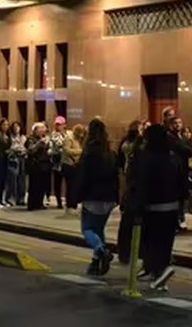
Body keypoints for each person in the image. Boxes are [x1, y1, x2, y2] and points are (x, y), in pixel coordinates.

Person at [128, 123, 185, 289]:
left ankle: (160, 269)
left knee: (150, 242)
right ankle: (159, 275)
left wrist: (137, 205)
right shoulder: (173, 158)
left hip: (152, 206)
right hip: (172, 206)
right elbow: (181, 183)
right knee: (166, 242)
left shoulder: (145, 158)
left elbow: (140, 183)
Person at [75, 118, 119, 275]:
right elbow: (116, 176)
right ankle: (96, 263)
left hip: (92, 196)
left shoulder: (89, 153)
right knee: (99, 229)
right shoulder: (111, 153)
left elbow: (82, 177)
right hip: (108, 197)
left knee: (87, 229)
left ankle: (101, 251)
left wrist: (76, 196)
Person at [115, 120, 142, 262]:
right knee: (131, 223)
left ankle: (125, 252)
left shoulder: (126, 144)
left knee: (127, 224)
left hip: (132, 191)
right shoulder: (138, 154)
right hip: (137, 194)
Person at [26, 122, 52, 210]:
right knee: (34, 186)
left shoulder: (44, 138)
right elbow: (30, 150)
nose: (43, 131)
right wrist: (39, 143)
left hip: (44, 165)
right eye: (41, 129)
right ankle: (32, 204)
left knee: (42, 185)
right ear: (35, 130)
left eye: (43, 129)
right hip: (35, 165)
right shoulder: (31, 139)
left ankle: (39, 203)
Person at [62, 124, 85, 213]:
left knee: (75, 186)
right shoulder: (69, 138)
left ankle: (74, 203)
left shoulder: (79, 140)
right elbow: (67, 150)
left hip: (76, 165)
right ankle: (69, 204)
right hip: (69, 164)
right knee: (70, 186)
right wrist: (80, 152)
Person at [5, 121, 27, 207]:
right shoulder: (9, 138)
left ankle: (21, 198)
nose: (16, 128)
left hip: (22, 158)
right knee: (12, 178)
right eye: (14, 127)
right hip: (13, 159)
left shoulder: (23, 137)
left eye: (18, 126)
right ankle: (11, 198)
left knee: (21, 179)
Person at [49, 117, 68, 207]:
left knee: (68, 182)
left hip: (66, 162)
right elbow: (57, 145)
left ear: (64, 125)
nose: (58, 126)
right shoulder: (53, 135)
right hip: (57, 162)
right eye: (56, 124)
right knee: (57, 182)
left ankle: (68, 199)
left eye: (59, 124)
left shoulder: (68, 134)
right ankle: (58, 201)